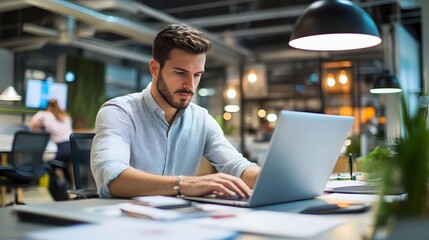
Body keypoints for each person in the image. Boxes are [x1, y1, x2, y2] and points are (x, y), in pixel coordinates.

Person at [91, 23, 261, 199]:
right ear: (155, 68)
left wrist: (267, 178)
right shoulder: (120, 112)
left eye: (197, 75)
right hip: (125, 219)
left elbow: (235, 165)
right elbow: (111, 177)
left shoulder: (201, 119)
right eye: (180, 73)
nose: (190, 85)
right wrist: (183, 184)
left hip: (179, 218)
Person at [29, 98, 73, 184]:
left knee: (47, 165)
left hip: (62, 148)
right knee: (64, 166)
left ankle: (54, 188)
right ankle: (70, 189)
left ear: (47, 107)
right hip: (73, 148)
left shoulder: (44, 114)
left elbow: (32, 125)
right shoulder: (66, 115)